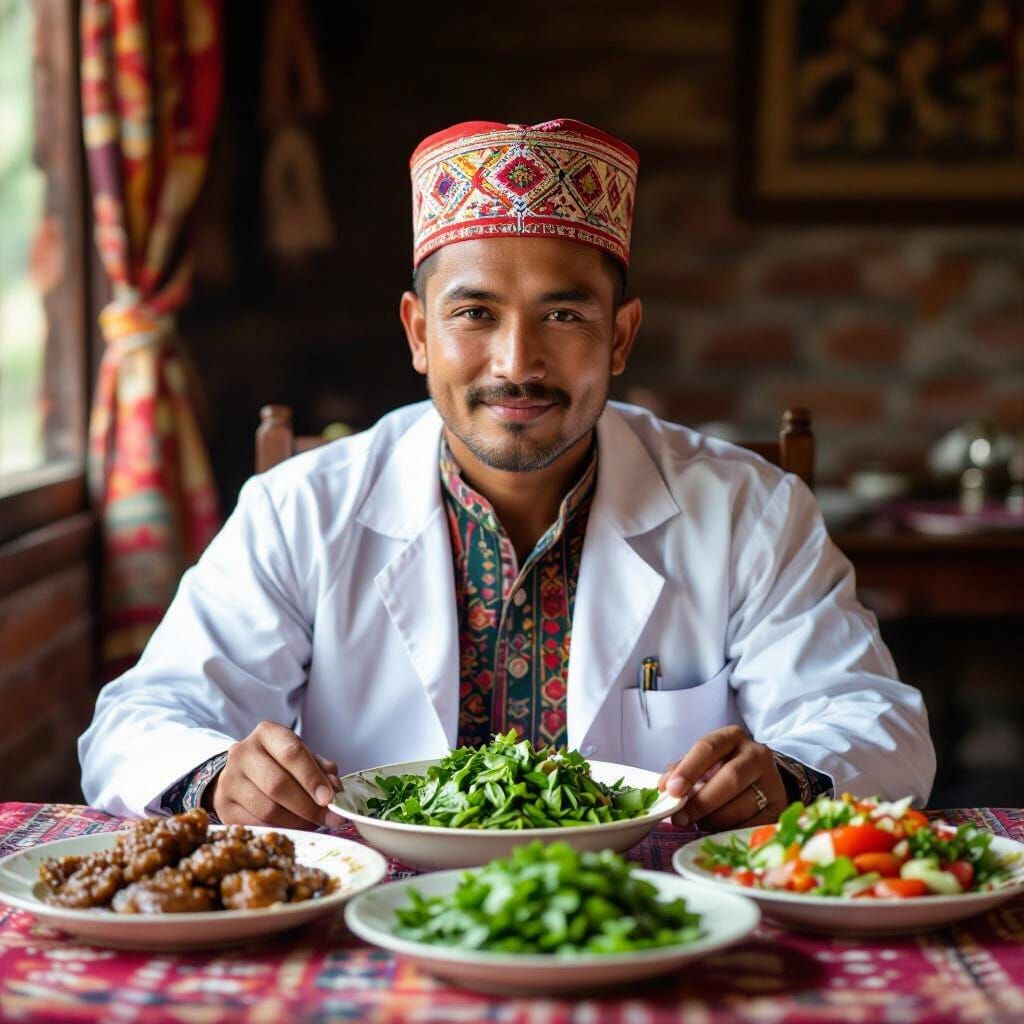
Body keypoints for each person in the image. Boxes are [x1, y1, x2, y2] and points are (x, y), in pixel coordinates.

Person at [80, 119, 935, 832]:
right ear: (418, 334)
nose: (516, 362)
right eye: (474, 314)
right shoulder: (300, 509)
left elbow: (876, 723)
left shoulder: (749, 510)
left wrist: (788, 776)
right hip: (371, 906)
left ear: (622, 338)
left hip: (654, 915)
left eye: (563, 315)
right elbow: (137, 724)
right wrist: (217, 778)